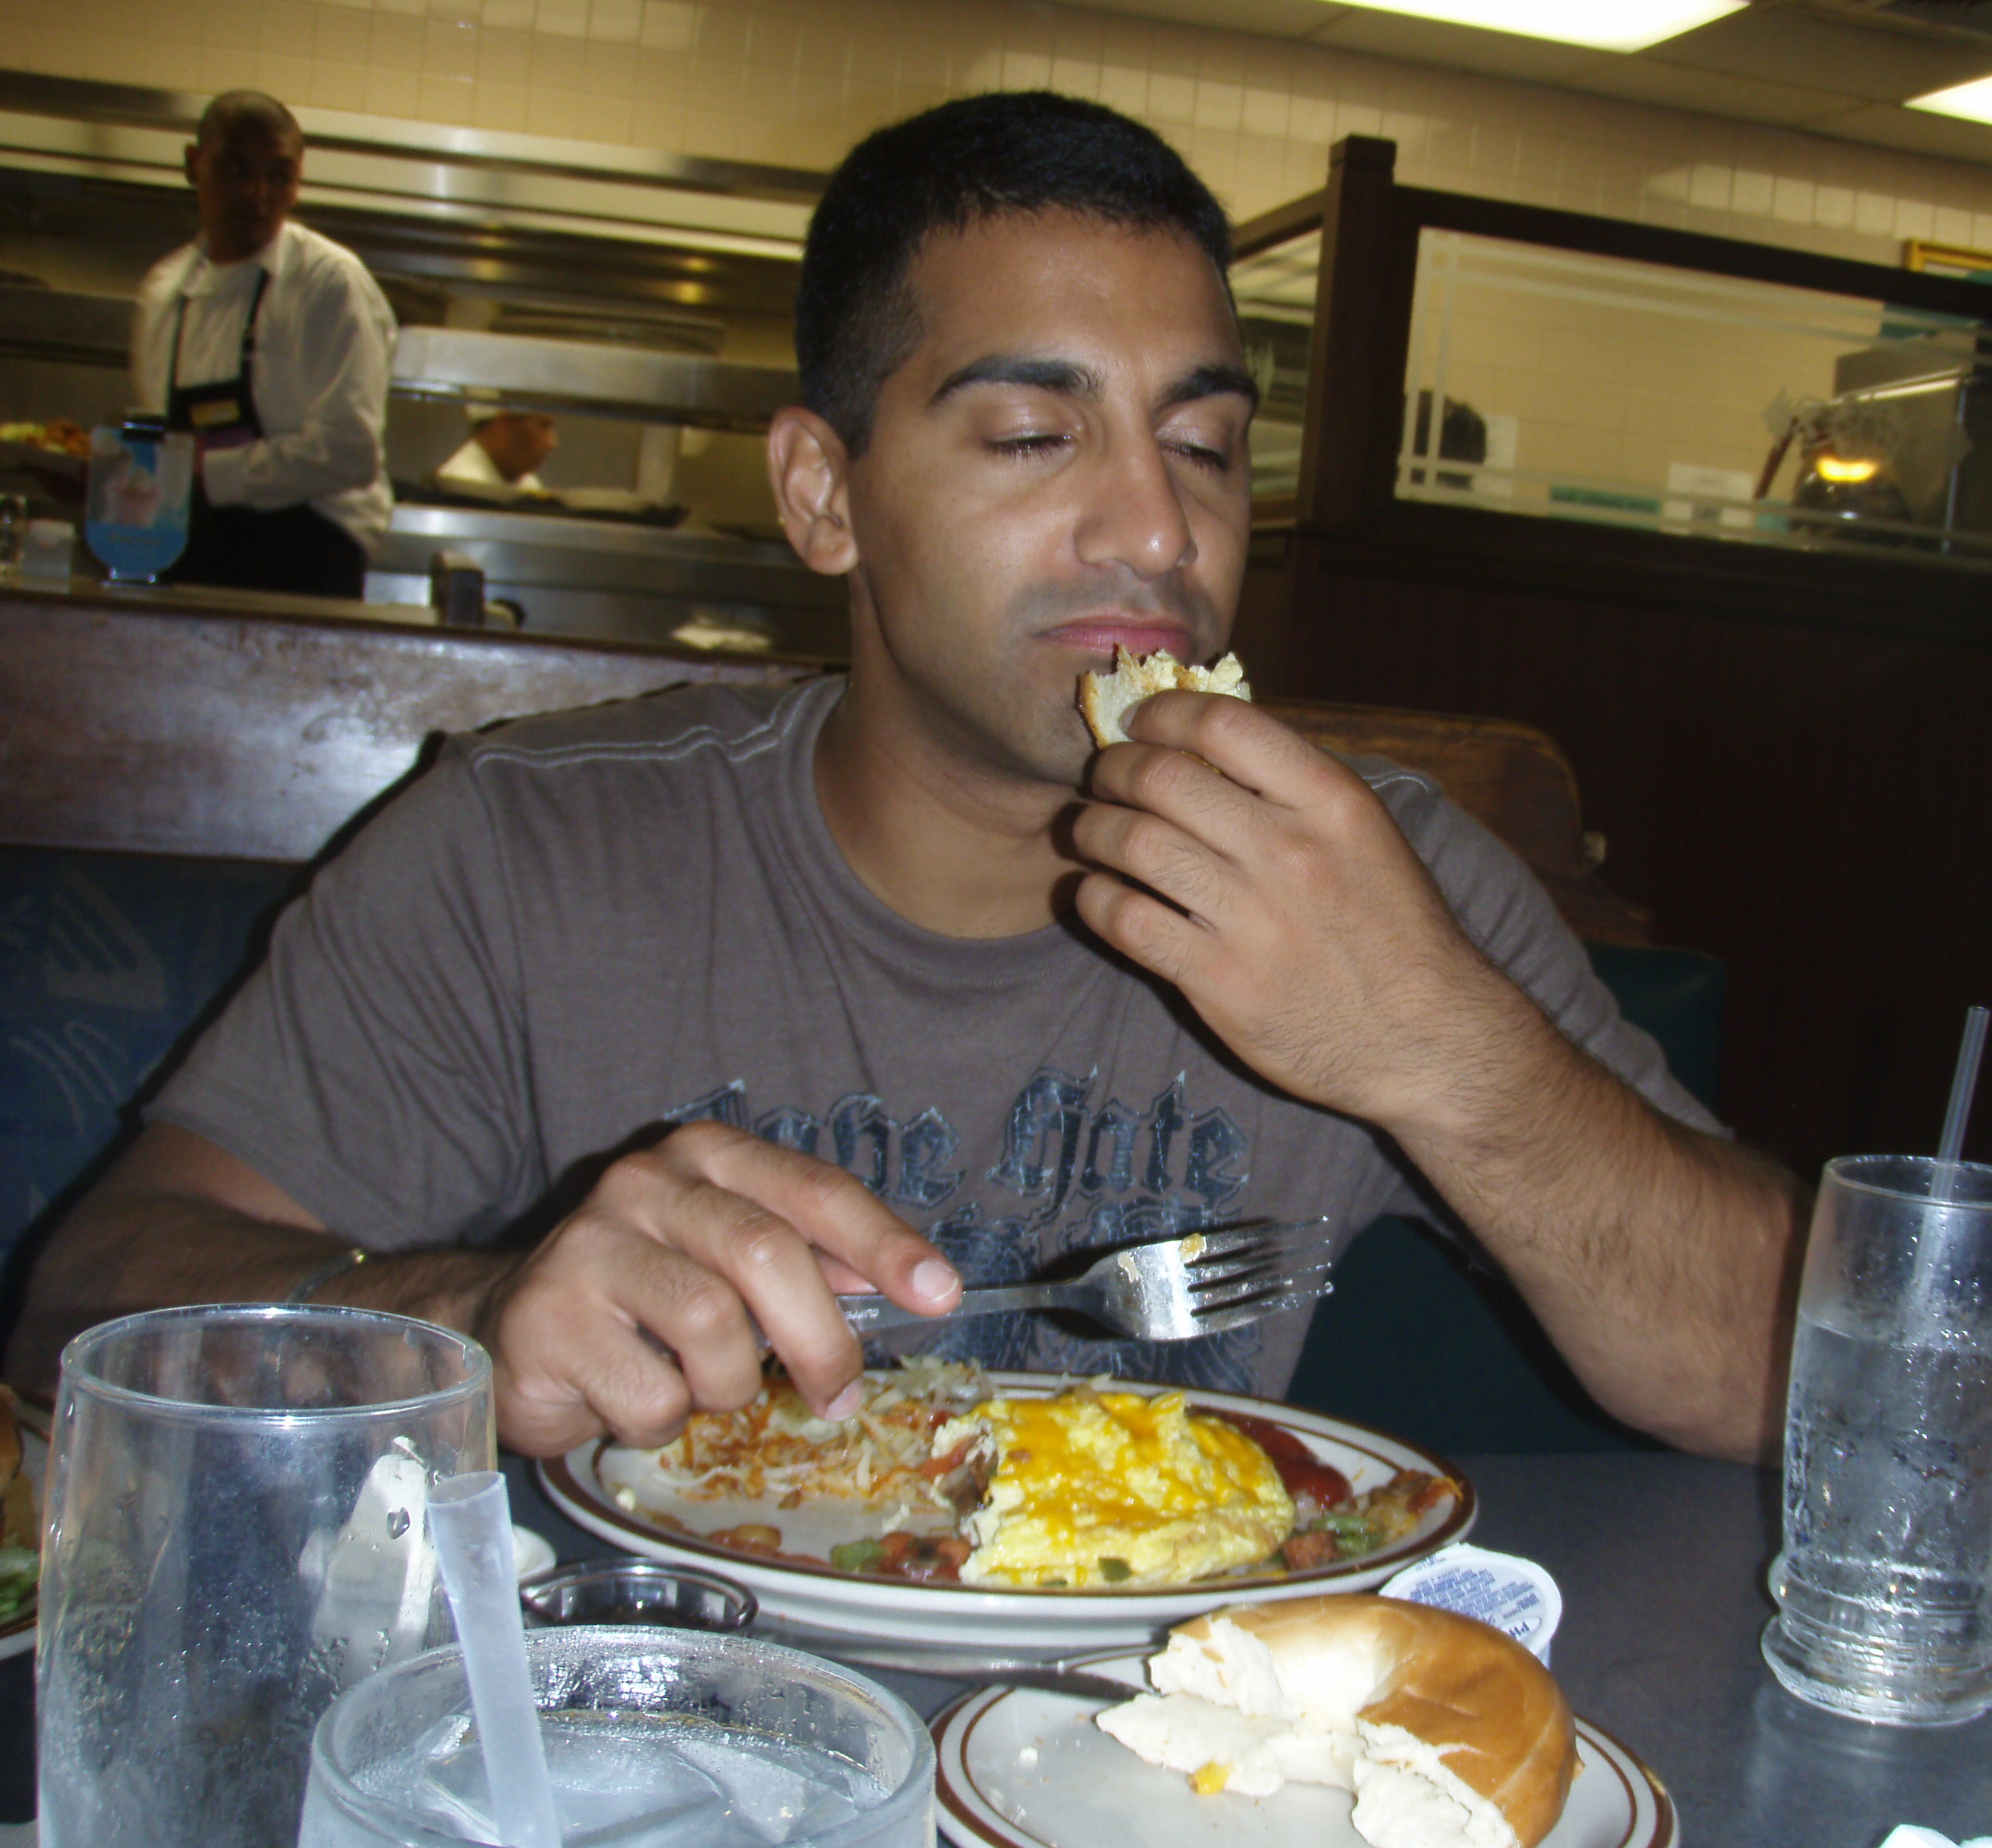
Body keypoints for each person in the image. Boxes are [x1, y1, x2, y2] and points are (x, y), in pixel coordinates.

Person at [10, 92, 1800, 1464]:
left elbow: (1787, 1367)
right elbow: (79, 1307)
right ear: (824, 494)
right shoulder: (530, 851)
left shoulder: (1369, 870)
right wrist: (472, 1316)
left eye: (1204, 446)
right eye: (1033, 433)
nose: (1156, 527)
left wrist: (1440, 1049)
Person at [129, 91, 396, 599]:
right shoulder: (165, 292)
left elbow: (349, 451)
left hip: (307, 566)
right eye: (235, 170)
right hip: (185, 557)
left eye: (279, 176)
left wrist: (207, 473)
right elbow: (159, 446)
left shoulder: (327, 282)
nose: (257, 194)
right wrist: (112, 473)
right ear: (193, 164)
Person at [435, 406, 557, 492]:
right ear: (503, 426)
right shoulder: (463, 489)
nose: (552, 443)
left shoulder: (527, 483)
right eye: (543, 426)